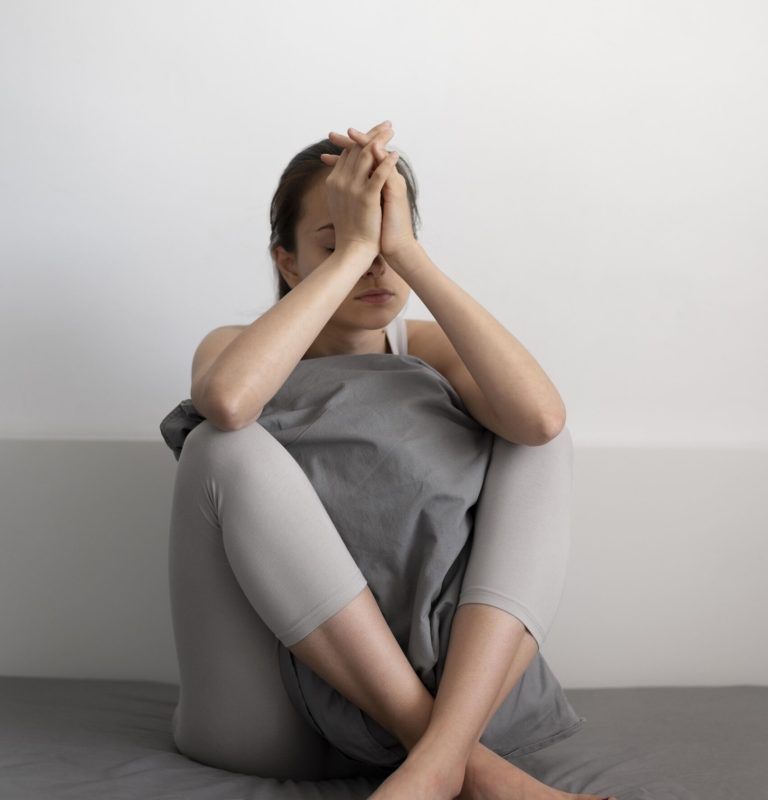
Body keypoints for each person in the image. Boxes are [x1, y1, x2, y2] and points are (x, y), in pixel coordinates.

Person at [163, 120, 616, 800]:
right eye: (340, 238)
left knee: (540, 443)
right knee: (218, 444)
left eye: (385, 234)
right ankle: (458, 765)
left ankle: (439, 756)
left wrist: (405, 251)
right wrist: (355, 253)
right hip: (276, 724)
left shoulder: (427, 349)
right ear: (287, 261)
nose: (375, 263)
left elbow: (541, 418)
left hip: (456, 699)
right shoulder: (234, 345)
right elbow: (228, 402)